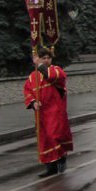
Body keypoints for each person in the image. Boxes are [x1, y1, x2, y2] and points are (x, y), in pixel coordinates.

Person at [23, 48, 72, 177]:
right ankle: (51, 168)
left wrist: (39, 65)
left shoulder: (57, 70)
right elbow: (28, 91)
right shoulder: (32, 76)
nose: (46, 60)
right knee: (44, 140)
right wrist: (33, 102)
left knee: (53, 136)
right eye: (43, 58)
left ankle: (61, 157)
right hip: (41, 114)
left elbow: (52, 76)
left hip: (55, 112)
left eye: (48, 58)